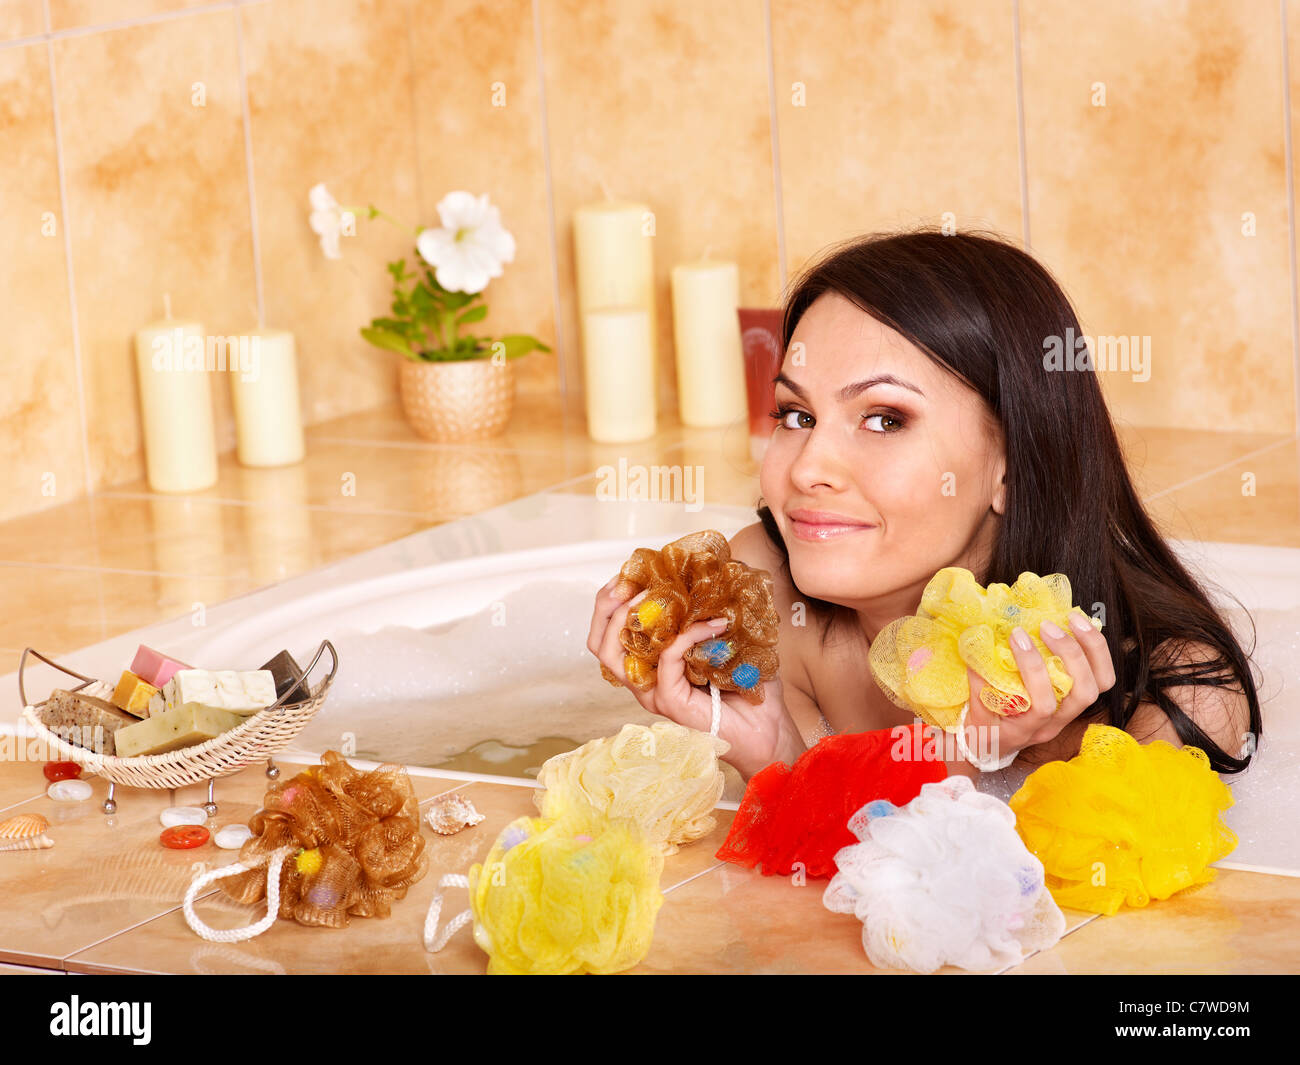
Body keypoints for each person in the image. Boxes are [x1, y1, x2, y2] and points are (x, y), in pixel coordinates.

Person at [588, 228, 1261, 782]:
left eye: (884, 419)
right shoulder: (760, 603)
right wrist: (769, 754)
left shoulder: (1170, 694)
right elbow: (809, 913)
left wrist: (980, 759)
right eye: (796, 415)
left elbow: (1029, 929)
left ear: (1014, 466)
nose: (809, 467)